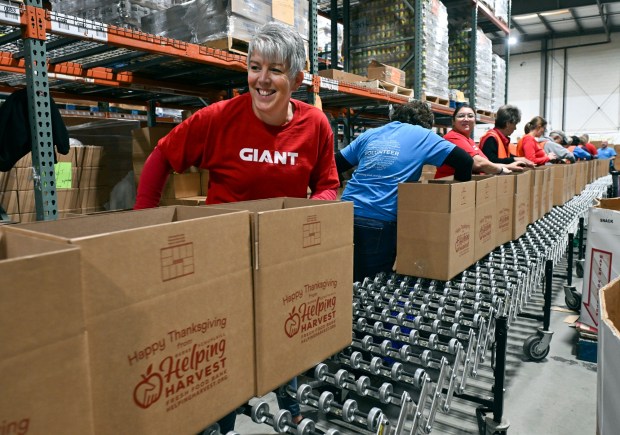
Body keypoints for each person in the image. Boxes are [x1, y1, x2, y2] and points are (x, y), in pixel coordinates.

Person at [134, 21, 340, 432]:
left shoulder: (315, 125)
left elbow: (330, 186)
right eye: (255, 67)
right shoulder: (218, 118)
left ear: (297, 78)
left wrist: (303, 215)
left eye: (276, 70)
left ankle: (289, 406)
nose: (262, 80)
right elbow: (161, 156)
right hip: (221, 263)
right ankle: (221, 421)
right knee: (221, 356)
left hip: (281, 262)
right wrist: (146, 225)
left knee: (286, 340)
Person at [335, 100, 474, 282]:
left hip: (343, 213)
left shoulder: (372, 134)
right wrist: (458, 203)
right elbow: (465, 161)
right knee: (371, 286)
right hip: (379, 219)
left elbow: (335, 164)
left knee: (344, 275)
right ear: (426, 123)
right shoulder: (423, 135)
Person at [434, 104, 527, 179]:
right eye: (461, 116)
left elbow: (486, 162)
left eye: (470, 116)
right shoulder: (453, 137)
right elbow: (479, 163)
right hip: (450, 186)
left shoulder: (469, 140)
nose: (466, 119)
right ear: (453, 121)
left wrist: (510, 166)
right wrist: (502, 169)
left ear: (474, 121)